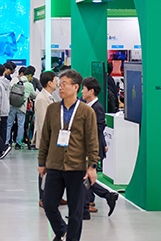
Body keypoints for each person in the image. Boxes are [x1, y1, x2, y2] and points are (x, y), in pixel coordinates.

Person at [38, 69, 99, 241]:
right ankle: (61, 231)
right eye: (60, 84)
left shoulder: (86, 112)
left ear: (76, 87)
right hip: (54, 165)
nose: (61, 87)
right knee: (49, 204)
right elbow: (45, 138)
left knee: (75, 211)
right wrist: (41, 162)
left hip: (77, 167)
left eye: (65, 84)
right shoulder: (52, 109)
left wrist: (92, 166)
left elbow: (92, 140)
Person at [80, 77, 118, 219]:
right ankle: (107, 196)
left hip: (92, 149)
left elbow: (98, 130)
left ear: (91, 91)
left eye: (84, 89)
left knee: (83, 177)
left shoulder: (98, 108)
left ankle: (85, 208)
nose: (82, 91)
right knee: (85, 177)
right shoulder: (85, 105)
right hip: (85, 148)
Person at [35, 71, 58, 206]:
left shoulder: (49, 97)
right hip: (47, 141)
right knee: (44, 169)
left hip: (52, 140)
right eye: (55, 80)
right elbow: (43, 123)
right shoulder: (42, 99)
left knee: (52, 170)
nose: (57, 83)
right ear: (49, 83)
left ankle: (54, 196)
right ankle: (43, 198)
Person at [7, 66, 37, 150]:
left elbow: (9, 90)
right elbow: (34, 95)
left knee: (9, 124)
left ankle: (7, 141)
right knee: (21, 125)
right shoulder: (29, 85)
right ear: (29, 76)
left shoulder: (14, 80)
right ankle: (18, 143)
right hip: (22, 107)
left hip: (12, 105)